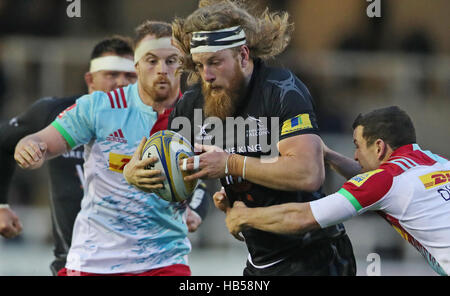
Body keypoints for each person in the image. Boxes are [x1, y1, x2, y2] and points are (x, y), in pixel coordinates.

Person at [167, 1, 356, 275]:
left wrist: (231, 165)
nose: (206, 75)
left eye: (215, 62)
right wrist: (136, 172)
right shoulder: (193, 105)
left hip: (317, 257)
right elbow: (169, 163)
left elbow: (308, 173)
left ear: (243, 56)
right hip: (261, 262)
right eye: (199, 65)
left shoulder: (282, 90)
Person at [13, 21, 208, 276]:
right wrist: (29, 148)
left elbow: (214, 173)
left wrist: (197, 206)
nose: (162, 70)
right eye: (151, 60)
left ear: (183, 64)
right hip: (95, 259)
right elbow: (42, 142)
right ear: (136, 65)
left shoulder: (199, 117)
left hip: (164, 259)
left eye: (171, 60)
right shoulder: (99, 106)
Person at [224, 106, 450, 276]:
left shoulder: (385, 182)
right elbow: (374, 181)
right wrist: (329, 155)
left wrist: (245, 216)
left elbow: (302, 218)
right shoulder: (438, 162)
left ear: (379, 147)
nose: (355, 156)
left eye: (357, 145)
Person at [0, 35, 137, 275]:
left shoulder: (154, 122)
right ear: (90, 80)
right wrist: (0, 204)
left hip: (141, 263)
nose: (121, 83)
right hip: (74, 264)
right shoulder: (55, 115)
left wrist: (193, 209)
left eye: (129, 76)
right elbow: (3, 142)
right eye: (111, 75)